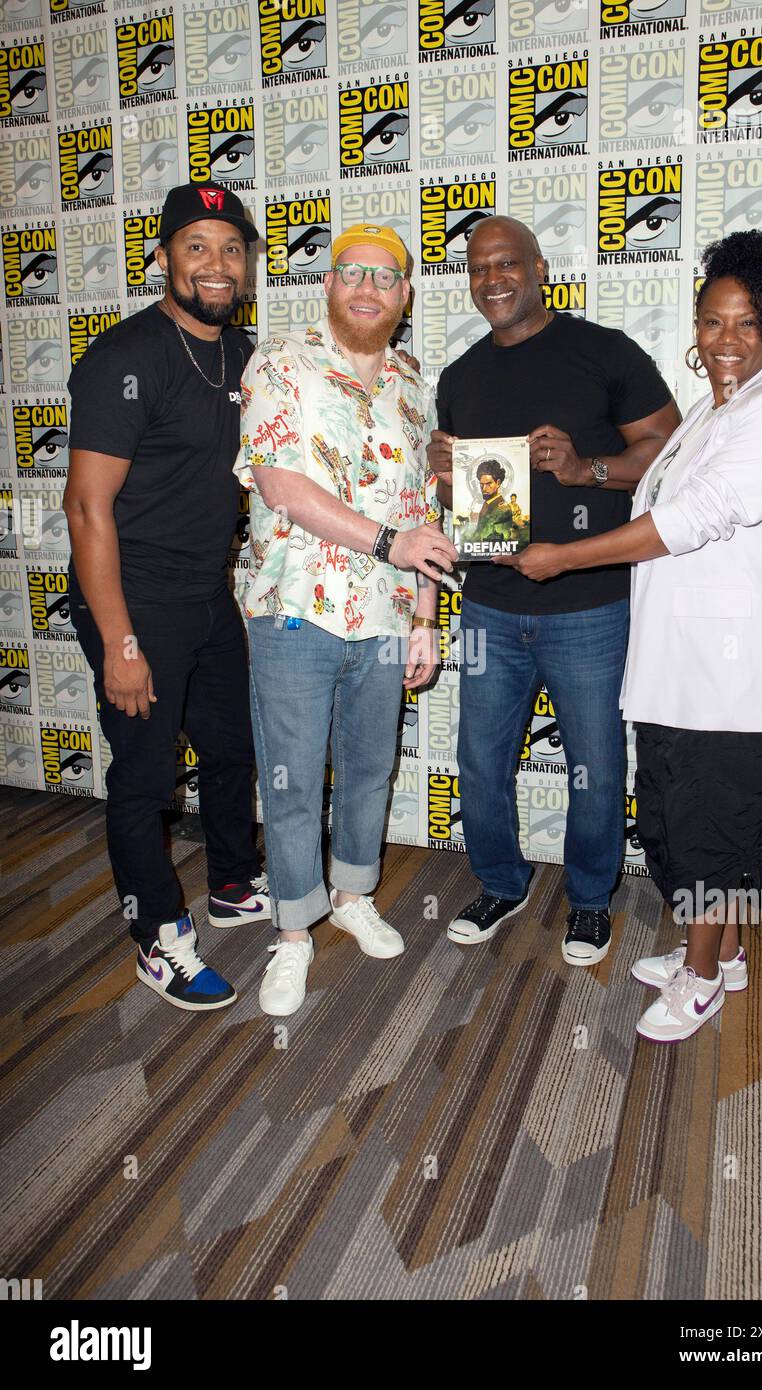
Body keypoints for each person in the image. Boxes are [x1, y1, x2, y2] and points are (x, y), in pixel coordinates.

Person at [498, 229, 762, 1042]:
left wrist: (564, 557)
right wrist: (583, 473)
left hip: (738, 679)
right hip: (684, 667)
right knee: (686, 824)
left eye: (747, 324)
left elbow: (689, 518)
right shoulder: (714, 414)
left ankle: (704, 977)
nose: (726, 341)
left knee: (720, 832)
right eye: (713, 322)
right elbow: (654, 477)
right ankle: (728, 953)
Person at [429, 216, 679, 965]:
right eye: (478, 268)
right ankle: (502, 884)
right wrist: (442, 479)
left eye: (506, 263)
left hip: (588, 608)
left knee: (596, 766)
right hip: (488, 606)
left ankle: (592, 900)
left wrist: (585, 469)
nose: (492, 279)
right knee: (479, 760)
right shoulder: (460, 376)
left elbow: (668, 454)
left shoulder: (602, 351)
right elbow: (458, 506)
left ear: (538, 268)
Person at [235, 222, 458, 1018]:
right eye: (351, 273)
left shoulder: (411, 382)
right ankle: (293, 933)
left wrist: (426, 616)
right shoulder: (281, 363)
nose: (366, 288)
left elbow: (424, 508)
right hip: (296, 608)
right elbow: (281, 485)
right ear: (328, 285)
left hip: (389, 615)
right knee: (291, 780)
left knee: (368, 771)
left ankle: (354, 894)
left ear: (403, 296)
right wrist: (391, 545)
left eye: (383, 277)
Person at [63, 182, 269, 1012]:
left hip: (206, 593)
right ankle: (156, 934)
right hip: (135, 599)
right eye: (197, 247)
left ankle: (231, 883)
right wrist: (119, 641)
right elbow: (87, 508)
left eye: (231, 249)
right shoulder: (123, 358)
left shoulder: (245, 352)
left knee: (231, 748)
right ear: (163, 260)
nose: (216, 265)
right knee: (146, 778)